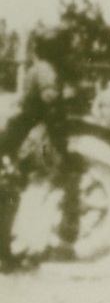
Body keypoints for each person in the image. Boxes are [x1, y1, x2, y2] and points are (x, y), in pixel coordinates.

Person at [0, 31, 83, 258]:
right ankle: (29, 246)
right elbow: (49, 98)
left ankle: (21, 246)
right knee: (41, 188)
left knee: (34, 189)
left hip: (29, 132)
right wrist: (69, 96)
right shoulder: (47, 71)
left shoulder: (36, 68)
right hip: (40, 136)